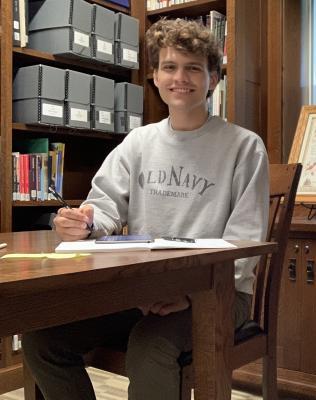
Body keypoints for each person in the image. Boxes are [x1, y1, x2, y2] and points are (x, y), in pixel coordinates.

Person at [22, 18, 269, 400]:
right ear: (154, 75)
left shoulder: (244, 147)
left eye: (193, 68)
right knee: (43, 339)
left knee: (150, 346)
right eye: (169, 67)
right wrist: (84, 225)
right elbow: (102, 210)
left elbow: (245, 242)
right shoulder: (137, 142)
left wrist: (189, 295)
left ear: (214, 79)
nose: (180, 78)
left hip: (218, 293)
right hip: (140, 289)